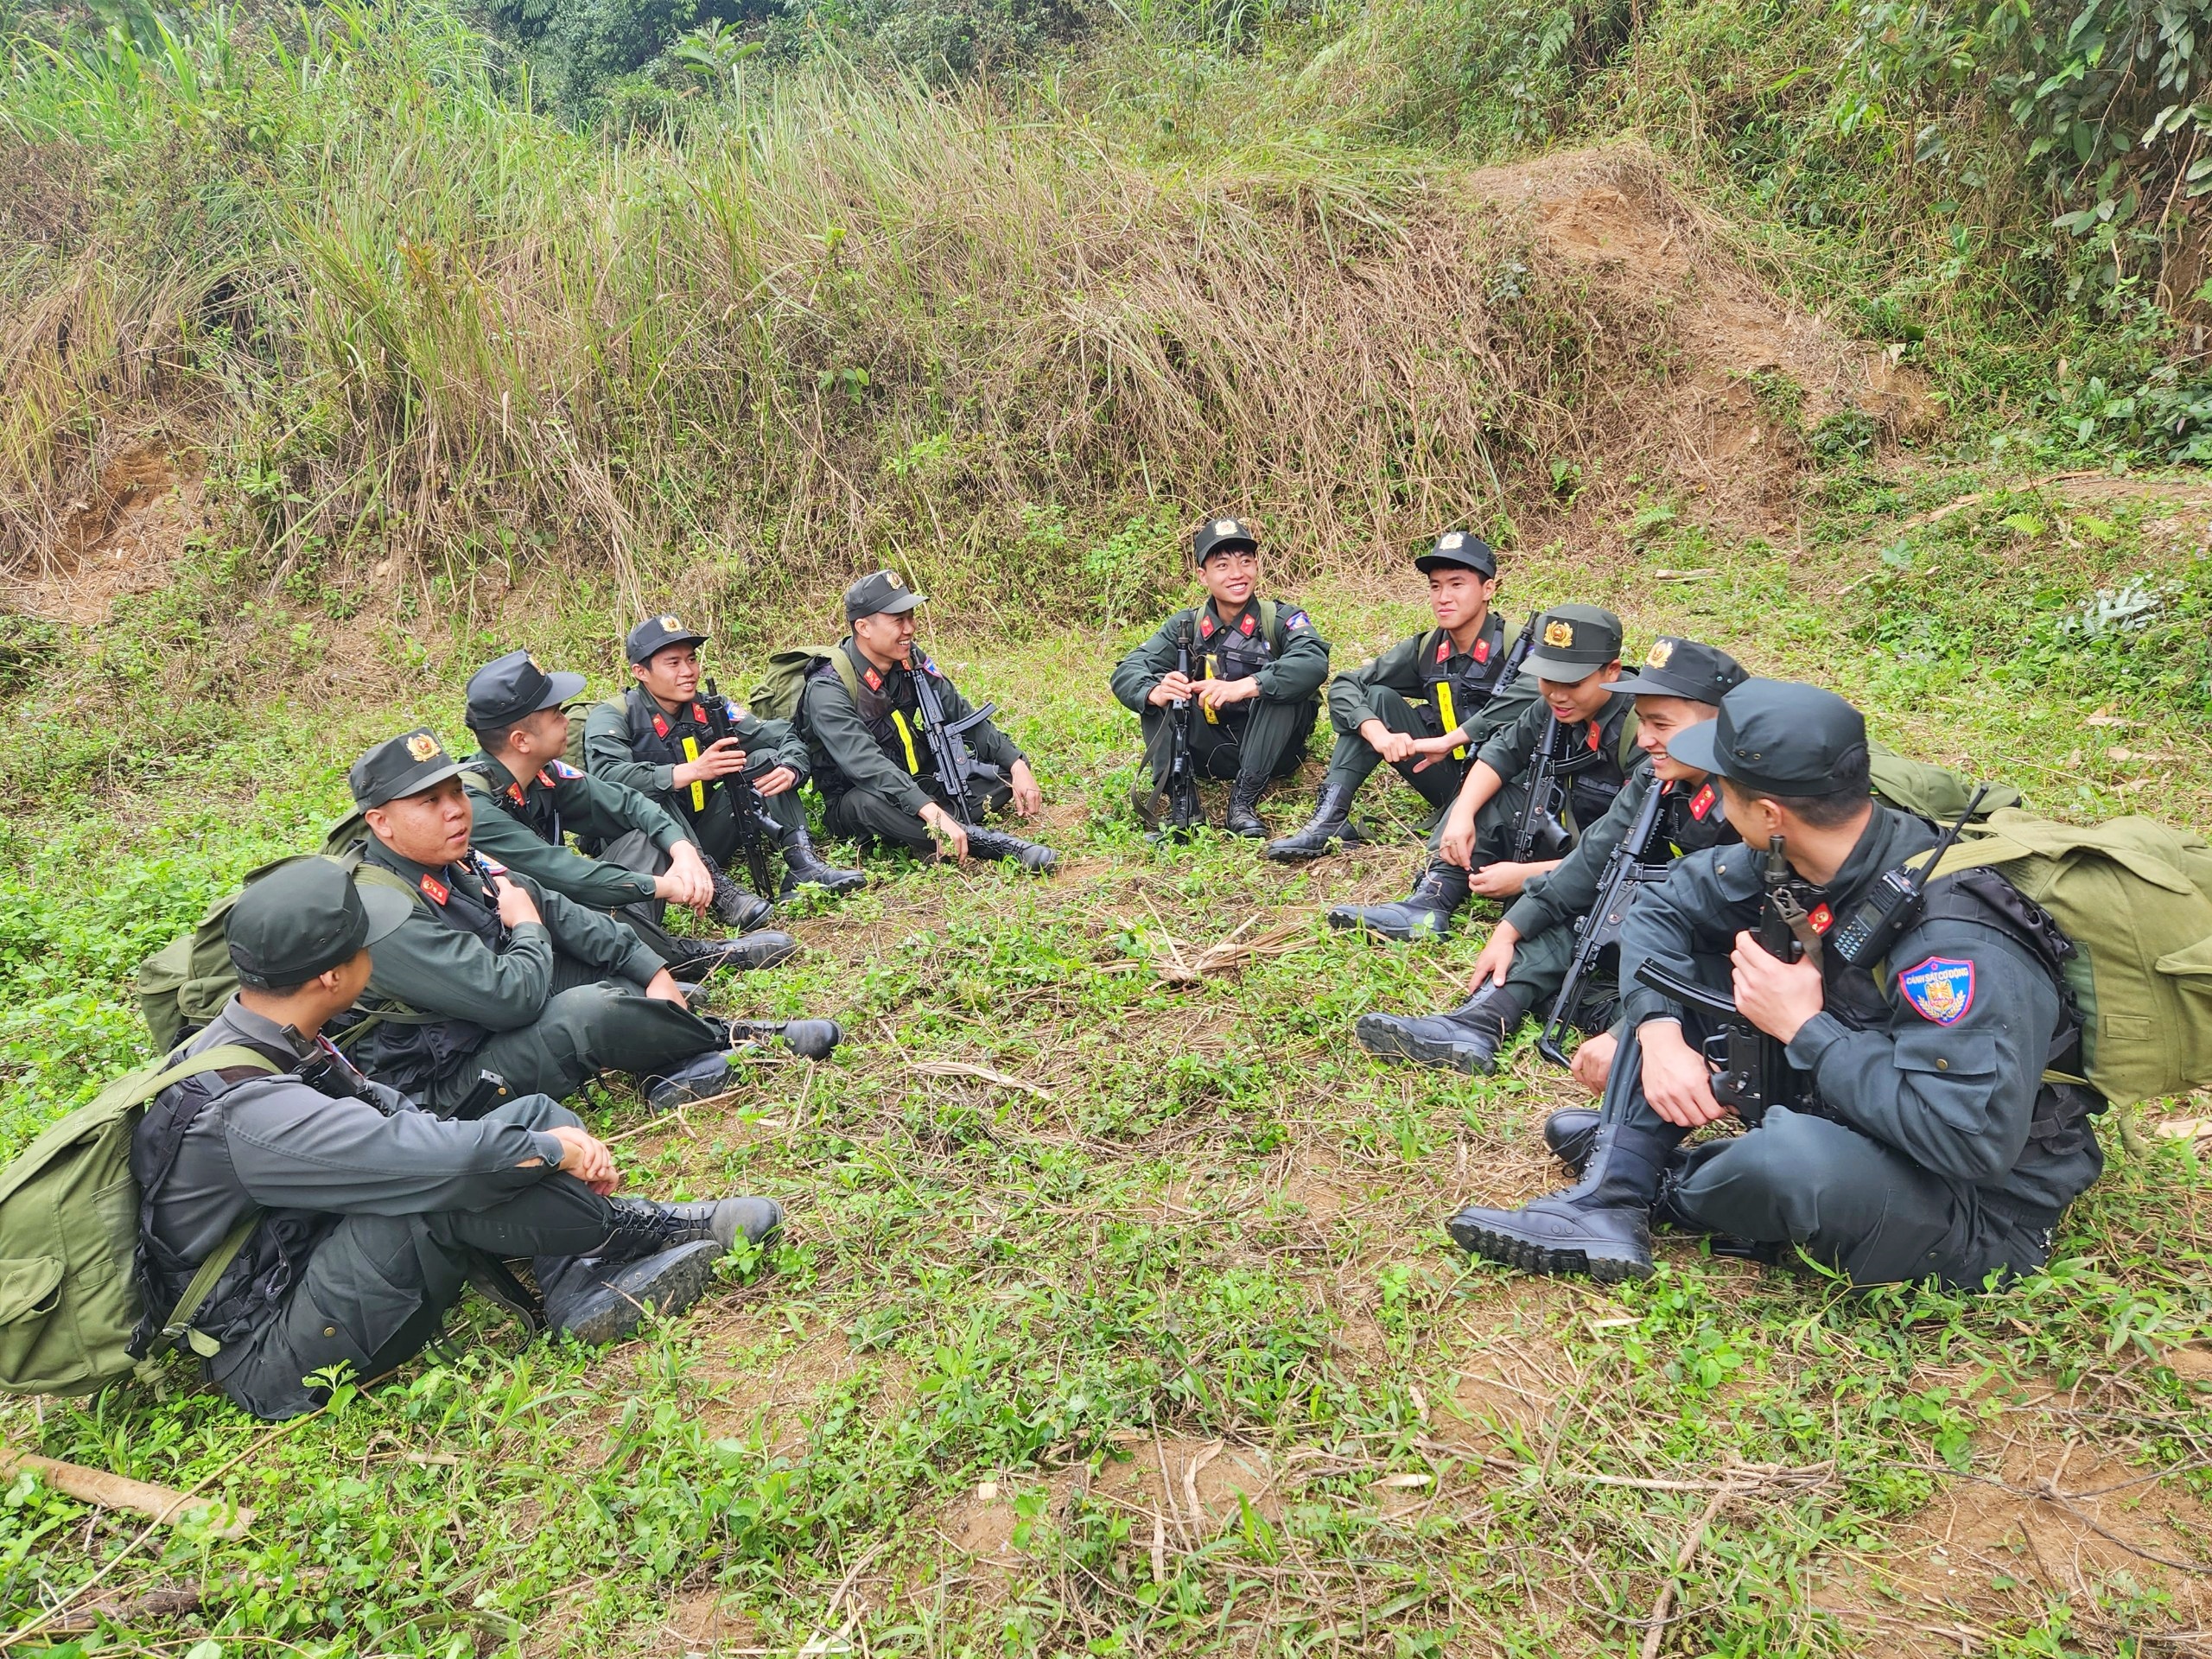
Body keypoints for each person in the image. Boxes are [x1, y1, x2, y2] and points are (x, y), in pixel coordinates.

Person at [1446, 679, 2102, 1288]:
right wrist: (1657, 1032)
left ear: (1768, 810)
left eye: (1723, 784)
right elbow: (1661, 907)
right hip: (1859, 1108)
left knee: (1789, 1162)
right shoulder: (1809, 853)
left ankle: (1664, 1182)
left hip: (1977, 1204)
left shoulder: (1956, 946)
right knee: (1709, 977)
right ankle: (1609, 1197)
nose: (1715, 798)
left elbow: (1970, 1142)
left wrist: (1805, 1029)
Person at [132, 856, 784, 1421]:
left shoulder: (267, 1030)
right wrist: (555, 1154)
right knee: (446, 1186)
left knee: (526, 1116)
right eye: (367, 945)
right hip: (274, 1348)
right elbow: (423, 1162)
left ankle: (575, 1275)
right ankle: (626, 1232)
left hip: (314, 1247)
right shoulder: (247, 1106)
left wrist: (538, 1140)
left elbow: (395, 1117)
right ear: (331, 978)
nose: (376, 955)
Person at [1357, 635, 1746, 1076]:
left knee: (1630, 910)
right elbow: (1598, 853)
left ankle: (1617, 1021)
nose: (1647, 739)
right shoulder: (1661, 778)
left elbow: (1736, 926)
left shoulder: (1754, 803)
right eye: (1644, 723)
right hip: (1674, 927)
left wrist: (1630, 1033)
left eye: (1662, 725)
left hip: (1735, 961)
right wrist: (1512, 926)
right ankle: (1480, 1021)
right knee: (1595, 905)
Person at [339, 728, 765, 1117]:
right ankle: (738, 1039)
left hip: (474, 1031)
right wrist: (527, 927)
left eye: (456, 792)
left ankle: (666, 1063)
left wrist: (647, 966)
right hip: (437, 1091)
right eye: (430, 801)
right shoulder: (382, 907)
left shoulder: (442, 857)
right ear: (381, 823)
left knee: (625, 983)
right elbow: (511, 998)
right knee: (592, 1010)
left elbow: (551, 903)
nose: (455, 811)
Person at [459, 651, 796, 981]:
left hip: (554, 910)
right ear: (521, 741)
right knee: (572, 901)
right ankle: (689, 958)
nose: (567, 721)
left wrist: (683, 850)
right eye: (556, 714)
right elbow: (568, 876)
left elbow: (629, 803)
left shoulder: (542, 772)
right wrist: (665, 886)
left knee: (643, 837)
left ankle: (638, 961)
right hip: (510, 944)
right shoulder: (474, 805)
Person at [1328, 603, 1637, 942]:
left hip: (1615, 857)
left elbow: (1632, 843)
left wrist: (1528, 876)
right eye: (1548, 679)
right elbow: (1500, 754)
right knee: (1490, 794)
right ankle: (1430, 900)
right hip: (1562, 829)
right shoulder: (1551, 707)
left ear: (1612, 671)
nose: (1558, 694)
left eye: (1573, 683)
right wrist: (1461, 815)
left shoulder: (1643, 729)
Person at [1267, 531, 1529, 861]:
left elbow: (1534, 696)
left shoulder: (1516, 645)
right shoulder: (1426, 648)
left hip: (1507, 787)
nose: (1443, 597)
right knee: (1374, 699)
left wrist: (1453, 739)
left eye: (1457, 584)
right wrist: (1372, 729)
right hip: (1449, 778)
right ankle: (1329, 819)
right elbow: (1347, 683)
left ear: (1488, 588)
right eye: (1435, 586)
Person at [582, 614, 864, 915]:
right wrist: (690, 771)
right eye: (673, 663)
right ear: (641, 671)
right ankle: (717, 890)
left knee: (760, 761)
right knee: (652, 794)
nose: (688, 671)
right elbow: (606, 778)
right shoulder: (613, 716)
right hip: (647, 852)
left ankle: (802, 864)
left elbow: (783, 734)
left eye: (691, 660)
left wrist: (791, 767)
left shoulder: (708, 708)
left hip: (703, 833)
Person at [796, 569, 1055, 870]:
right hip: (862, 796)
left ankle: (935, 828)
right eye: (898, 620)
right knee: (866, 804)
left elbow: (961, 714)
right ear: (863, 627)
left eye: (911, 617)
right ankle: (984, 842)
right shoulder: (829, 688)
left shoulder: (909, 658)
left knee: (1002, 775)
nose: (910, 629)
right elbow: (868, 766)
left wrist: (1016, 763)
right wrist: (929, 811)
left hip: (921, 779)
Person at [1109, 517, 1331, 838]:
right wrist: (1154, 691)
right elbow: (1128, 669)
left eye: (1245, 562)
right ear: (1203, 576)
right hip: (1207, 750)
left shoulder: (1281, 619)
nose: (1237, 574)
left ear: (1256, 565)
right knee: (1158, 689)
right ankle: (1183, 802)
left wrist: (1248, 686)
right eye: (1223, 565)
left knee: (1281, 687)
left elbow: (1313, 662)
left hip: (1275, 751)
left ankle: (1242, 803)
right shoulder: (1186, 626)